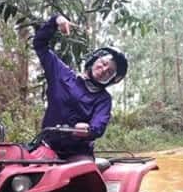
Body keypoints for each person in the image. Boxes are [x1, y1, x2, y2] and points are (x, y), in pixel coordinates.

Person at [32, 14, 127, 160]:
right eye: (103, 63)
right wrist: (56, 20)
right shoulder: (62, 74)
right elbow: (40, 44)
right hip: (46, 146)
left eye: (110, 72)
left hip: (78, 154)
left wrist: (89, 130)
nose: (103, 70)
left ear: (112, 79)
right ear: (95, 60)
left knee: (83, 176)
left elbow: (99, 125)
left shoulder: (103, 99)